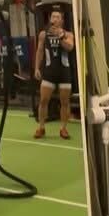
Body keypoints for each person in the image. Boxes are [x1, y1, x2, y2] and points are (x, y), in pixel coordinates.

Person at [34, 8, 75, 140]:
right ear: (50, 19)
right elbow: (40, 51)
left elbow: (70, 47)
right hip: (49, 71)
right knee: (43, 100)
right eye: (53, 16)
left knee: (65, 102)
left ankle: (63, 128)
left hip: (64, 72)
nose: (55, 19)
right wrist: (36, 68)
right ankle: (41, 127)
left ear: (62, 20)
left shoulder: (68, 34)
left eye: (58, 17)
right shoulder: (43, 34)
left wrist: (60, 36)